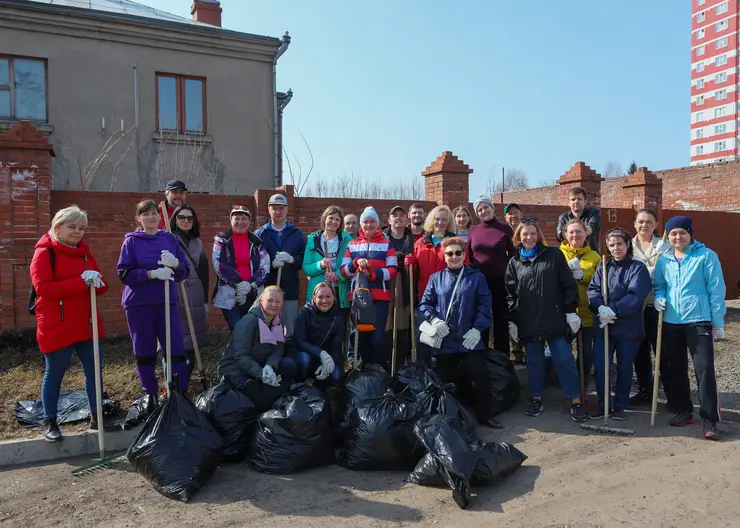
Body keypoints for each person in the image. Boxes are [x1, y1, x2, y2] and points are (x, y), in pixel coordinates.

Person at [29, 205, 114, 442]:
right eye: (72, 227)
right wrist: (80, 282)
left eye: (82, 228)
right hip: (57, 324)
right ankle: (50, 420)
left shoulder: (85, 254)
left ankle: (97, 416)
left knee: (94, 372)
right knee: (54, 373)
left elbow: (103, 285)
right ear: (58, 227)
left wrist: (97, 281)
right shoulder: (45, 253)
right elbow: (43, 289)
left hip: (87, 325)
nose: (77, 232)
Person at [505, 219, 586, 422]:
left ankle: (575, 400)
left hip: (555, 319)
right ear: (519, 237)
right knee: (534, 363)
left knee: (564, 360)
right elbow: (510, 294)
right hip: (529, 321)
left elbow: (568, 284)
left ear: (539, 235)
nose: (529, 237)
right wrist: (513, 319)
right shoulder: (515, 262)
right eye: (525, 234)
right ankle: (536, 398)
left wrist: (570, 311)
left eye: (533, 233)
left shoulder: (553, 255)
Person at [654, 216, 726, 440]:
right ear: (668, 235)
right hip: (671, 321)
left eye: (682, 232)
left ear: (690, 233)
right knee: (675, 369)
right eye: (673, 233)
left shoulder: (706, 256)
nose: (678, 237)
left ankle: (709, 418)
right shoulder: (664, 260)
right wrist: (659, 297)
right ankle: (684, 410)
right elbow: (660, 285)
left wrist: (718, 321)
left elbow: (716, 289)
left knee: (704, 369)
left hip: (698, 320)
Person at [419, 237, 502, 429]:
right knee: (450, 382)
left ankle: (484, 416)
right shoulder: (436, 278)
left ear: (464, 255)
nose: (454, 256)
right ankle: (455, 419)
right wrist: (434, 319)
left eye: (458, 253)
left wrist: (477, 329)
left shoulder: (476, 277)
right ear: (444, 256)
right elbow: (425, 304)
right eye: (450, 253)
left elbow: (484, 304)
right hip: (445, 340)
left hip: (469, 339)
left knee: (480, 377)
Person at [117, 200, 191, 401]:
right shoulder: (131, 241)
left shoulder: (169, 239)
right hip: (139, 304)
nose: (150, 217)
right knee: (145, 351)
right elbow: (124, 274)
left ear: (160, 217)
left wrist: (176, 264)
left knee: (175, 349)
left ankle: (179, 394)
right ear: (139, 218)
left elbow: (185, 271)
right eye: (145, 214)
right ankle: (150, 394)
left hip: (166, 302)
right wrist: (151, 274)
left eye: (154, 214)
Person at [587, 229, 651, 420]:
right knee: (601, 365)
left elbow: (636, 295)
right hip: (604, 326)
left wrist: (613, 310)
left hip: (628, 327)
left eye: (619, 244)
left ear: (627, 245)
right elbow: (593, 291)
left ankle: (620, 405)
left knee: (624, 367)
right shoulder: (602, 268)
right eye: (612, 244)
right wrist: (600, 308)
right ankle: (603, 403)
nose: (616, 248)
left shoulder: (637, 268)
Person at [218, 286, 298, 407]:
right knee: (262, 399)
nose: (274, 305)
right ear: (261, 301)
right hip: (235, 370)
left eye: (278, 302)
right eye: (270, 300)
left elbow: (278, 348)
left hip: (260, 366)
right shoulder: (249, 321)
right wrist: (261, 373)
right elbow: (240, 356)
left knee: (289, 366)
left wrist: (269, 366)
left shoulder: (277, 322)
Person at [341, 206, 398, 369]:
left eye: (372, 221)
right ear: (361, 224)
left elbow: (393, 270)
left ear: (378, 224)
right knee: (359, 335)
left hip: (380, 297)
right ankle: (362, 370)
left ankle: (379, 369)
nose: (369, 224)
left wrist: (373, 273)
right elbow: (344, 271)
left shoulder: (387, 244)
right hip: (358, 298)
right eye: (365, 221)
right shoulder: (352, 245)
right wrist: (355, 263)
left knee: (377, 337)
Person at [629, 209, 670, 406]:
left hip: (658, 305)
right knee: (640, 351)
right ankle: (646, 390)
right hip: (636, 306)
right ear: (635, 224)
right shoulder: (628, 247)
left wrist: (663, 268)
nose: (644, 225)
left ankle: (672, 393)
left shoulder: (664, 246)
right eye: (640, 222)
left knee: (662, 350)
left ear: (655, 225)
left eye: (649, 222)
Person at [467, 195, 515, 355]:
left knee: (501, 321)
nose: (483, 211)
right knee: (481, 322)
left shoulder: (505, 229)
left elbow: (514, 255)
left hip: (501, 283)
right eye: (479, 209)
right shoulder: (473, 230)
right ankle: (482, 360)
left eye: (486, 207)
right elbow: (468, 255)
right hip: (479, 284)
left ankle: (502, 362)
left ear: (493, 209)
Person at [255, 193, 307, 337]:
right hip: (268, 290)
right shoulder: (260, 234)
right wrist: (269, 262)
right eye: (274, 208)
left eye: (281, 208)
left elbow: (305, 259)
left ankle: (287, 356)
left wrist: (292, 260)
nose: (278, 212)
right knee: (268, 327)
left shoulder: (297, 234)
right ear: (268, 209)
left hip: (290, 289)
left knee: (289, 329)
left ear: (286, 210)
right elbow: (254, 261)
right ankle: (270, 355)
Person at [168, 204, 211, 376]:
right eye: (181, 217)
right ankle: (171, 384)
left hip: (194, 295)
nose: (186, 221)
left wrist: (205, 301)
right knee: (173, 342)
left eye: (189, 218)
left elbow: (204, 273)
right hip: (175, 292)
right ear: (175, 220)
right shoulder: (167, 238)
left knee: (193, 342)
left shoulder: (198, 243)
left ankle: (184, 382)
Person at [212, 205, 270, 331]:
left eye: (244, 218)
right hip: (230, 294)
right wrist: (239, 285)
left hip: (254, 293)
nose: (240, 222)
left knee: (253, 329)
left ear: (249, 221)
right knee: (237, 328)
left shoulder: (257, 242)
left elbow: (265, 267)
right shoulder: (222, 240)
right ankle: (235, 351)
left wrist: (250, 285)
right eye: (236, 218)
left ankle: (247, 351)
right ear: (230, 220)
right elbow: (220, 266)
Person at [559, 218, 601, 387]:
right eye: (571, 232)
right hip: (564, 313)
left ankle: (582, 386)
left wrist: (583, 277)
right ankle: (569, 386)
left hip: (587, 312)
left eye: (579, 231)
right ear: (565, 235)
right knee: (564, 353)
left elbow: (601, 282)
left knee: (585, 353)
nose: (575, 235)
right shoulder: (558, 254)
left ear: (586, 233)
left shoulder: (594, 257)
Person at [288, 283, 344, 387]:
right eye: (320, 297)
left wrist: (330, 362)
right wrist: (321, 353)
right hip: (304, 353)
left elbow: (336, 346)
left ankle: (319, 389)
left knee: (335, 375)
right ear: (314, 297)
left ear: (334, 297)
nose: (324, 301)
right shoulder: (304, 313)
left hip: (325, 357)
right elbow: (300, 342)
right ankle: (299, 384)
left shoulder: (338, 317)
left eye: (328, 296)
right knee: (305, 360)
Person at [303, 205, 353, 318]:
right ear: (324, 219)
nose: (334, 222)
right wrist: (320, 265)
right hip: (318, 290)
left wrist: (337, 275)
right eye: (331, 218)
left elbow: (351, 266)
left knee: (338, 326)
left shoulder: (347, 240)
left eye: (337, 219)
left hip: (339, 290)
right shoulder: (313, 238)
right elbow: (306, 267)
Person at [382, 205, 416, 364]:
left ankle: (403, 359)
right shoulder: (381, 239)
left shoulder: (413, 239)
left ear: (407, 218)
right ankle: (387, 359)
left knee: (404, 321)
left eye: (402, 215)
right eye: (394, 215)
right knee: (387, 321)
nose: (398, 218)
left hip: (406, 286)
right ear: (389, 220)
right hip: (386, 286)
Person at [556, 186, 601, 252]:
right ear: (569, 202)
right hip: (568, 256)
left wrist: (570, 232)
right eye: (573, 199)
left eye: (579, 199)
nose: (576, 201)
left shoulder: (593, 213)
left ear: (585, 201)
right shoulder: (563, 218)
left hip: (590, 255)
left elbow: (592, 227)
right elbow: (559, 236)